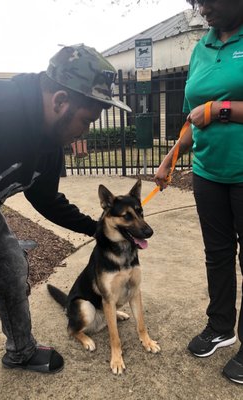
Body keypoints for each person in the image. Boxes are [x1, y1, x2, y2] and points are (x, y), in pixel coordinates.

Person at [0, 43, 131, 399]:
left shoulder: (49, 138)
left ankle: (21, 351)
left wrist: (96, 228)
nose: (85, 132)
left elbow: (43, 197)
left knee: (13, 270)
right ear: (60, 100)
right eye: (86, 121)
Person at [155, 0, 243, 384]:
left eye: (211, 0)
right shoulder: (201, 47)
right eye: (198, 2)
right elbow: (194, 116)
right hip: (208, 173)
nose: (203, 8)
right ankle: (221, 325)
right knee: (217, 254)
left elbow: (208, 111)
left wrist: (221, 110)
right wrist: (171, 156)